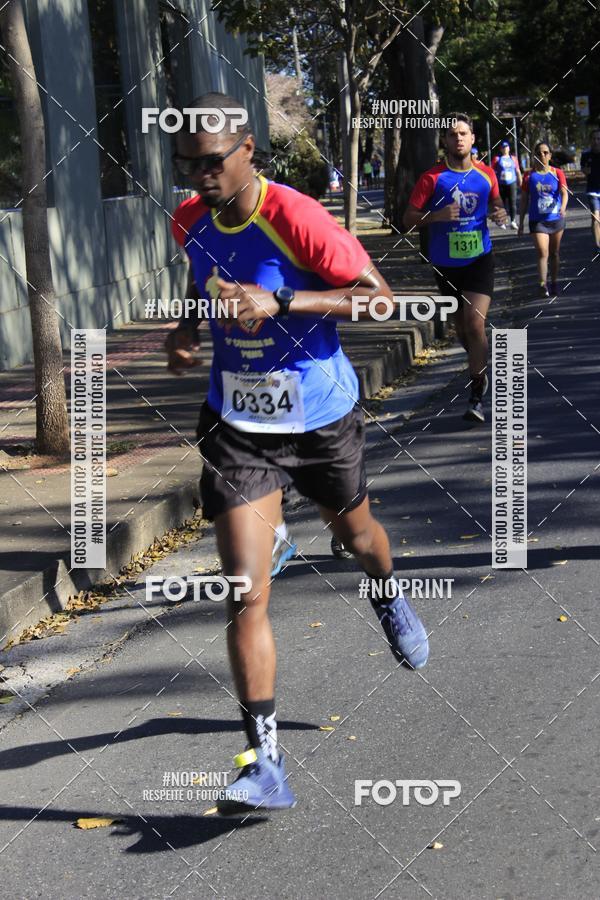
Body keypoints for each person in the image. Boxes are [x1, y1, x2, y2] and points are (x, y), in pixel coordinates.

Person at [166, 92, 429, 813]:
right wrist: (188, 330)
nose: (199, 177)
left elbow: (382, 299)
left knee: (359, 535)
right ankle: (265, 763)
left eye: (212, 161)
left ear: (248, 147)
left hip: (317, 416)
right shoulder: (189, 219)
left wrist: (283, 304)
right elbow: (205, 289)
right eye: (185, 163)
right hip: (238, 425)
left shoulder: (297, 217)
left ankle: (388, 596)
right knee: (244, 590)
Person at [403, 113, 507, 423]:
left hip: (479, 259)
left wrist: (499, 213)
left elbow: (497, 203)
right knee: (461, 329)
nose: (458, 138)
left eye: (463, 133)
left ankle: (477, 392)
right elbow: (408, 219)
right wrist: (435, 216)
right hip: (445, 264)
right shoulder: (432, 179)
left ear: (473, 139)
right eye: (452, 134)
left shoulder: (487, 174)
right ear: (445, 141)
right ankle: (479, 369)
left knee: (475, 324)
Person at [518, 141, 568, 297]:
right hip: (537, 221)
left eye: (545, 153)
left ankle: (553, 282)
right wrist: (520, 223)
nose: (542, 156)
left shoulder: (557, 173)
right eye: (539, 153)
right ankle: (542, 284)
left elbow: (565, 193)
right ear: (534, 156)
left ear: (550, 155)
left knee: (554, 253)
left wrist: (563, 207)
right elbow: (524, 200)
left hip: (556, 219)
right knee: (542, 252)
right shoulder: (528, 176)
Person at [491, 140, 522, 229]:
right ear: (501, 149)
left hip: (511, 182)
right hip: (501, 183)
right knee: (502, 203)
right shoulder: (497, 159)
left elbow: (517, 170)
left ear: (509, 148)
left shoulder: (513, 158)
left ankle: (513, 221)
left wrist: (520, 180)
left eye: (506, 147)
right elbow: (491, 171)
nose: (505, 149)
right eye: (503, 147)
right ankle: (502, 221)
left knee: (513, 202)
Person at [580, 128, 600, 251]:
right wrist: (585, 171)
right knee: (596, 217)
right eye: (594, 139)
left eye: (599, 139)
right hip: (593, 191)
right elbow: (583, 168)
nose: (596, 141)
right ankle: (598, 246)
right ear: (590, 140)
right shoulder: (586, 154)